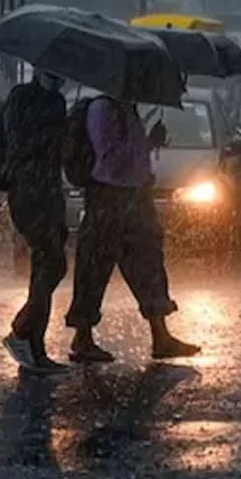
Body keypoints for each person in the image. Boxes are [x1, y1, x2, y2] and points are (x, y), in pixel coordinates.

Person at [66, 96, 200, 363]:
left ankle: (160, 336)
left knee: (148, 263)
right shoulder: (102, 110)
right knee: (95, 267)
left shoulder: (128, 109)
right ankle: (82, 337)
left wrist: (151, 143)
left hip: (135, 196)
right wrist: (144, 145)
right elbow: (109, 157)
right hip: (110, 196)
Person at [0, 70, 69, 374]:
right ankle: (27, 339)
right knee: (48, 263)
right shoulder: (24, 98)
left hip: (47, 189)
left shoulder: (54, 101)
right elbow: (24, 142)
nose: (59, 79)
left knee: (52, 265)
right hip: (29, 189)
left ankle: (27, 334)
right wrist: (56, 130)